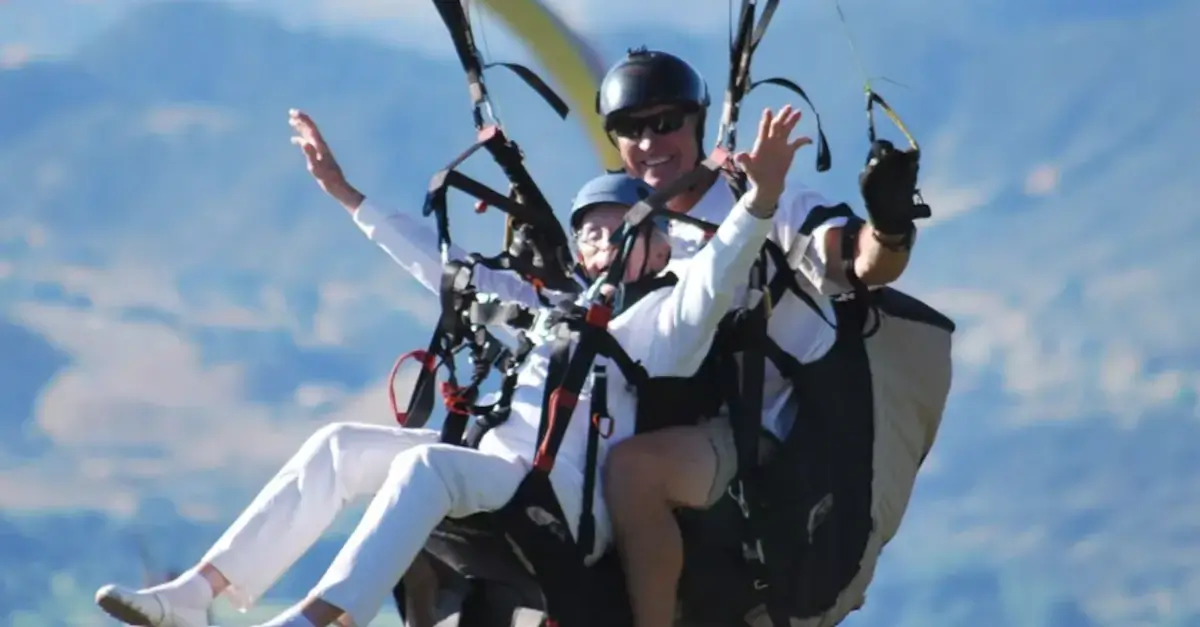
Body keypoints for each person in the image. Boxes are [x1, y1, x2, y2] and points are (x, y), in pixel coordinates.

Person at [92, 105, 813, 627]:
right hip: (502, 470)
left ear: (660, 242)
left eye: (618, 228)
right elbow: (443, 271)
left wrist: (761, 198)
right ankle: (195, 592)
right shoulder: (553, 301)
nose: (600, 242)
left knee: (426, 469)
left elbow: (718, 273)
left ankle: (318, 621)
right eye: (589, 231)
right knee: (341, 444)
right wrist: (349, 198)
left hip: (560, 501)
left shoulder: (664, 322)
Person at [591, 48, 934, 627]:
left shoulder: (767, 198)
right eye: (630, 128)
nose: (649, 142)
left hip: (754, 434)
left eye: (665, 123)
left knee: (632, 473)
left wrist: (890, 222)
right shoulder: (618, 221)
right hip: (654, 413)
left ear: (697, 124)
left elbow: (859, 262)